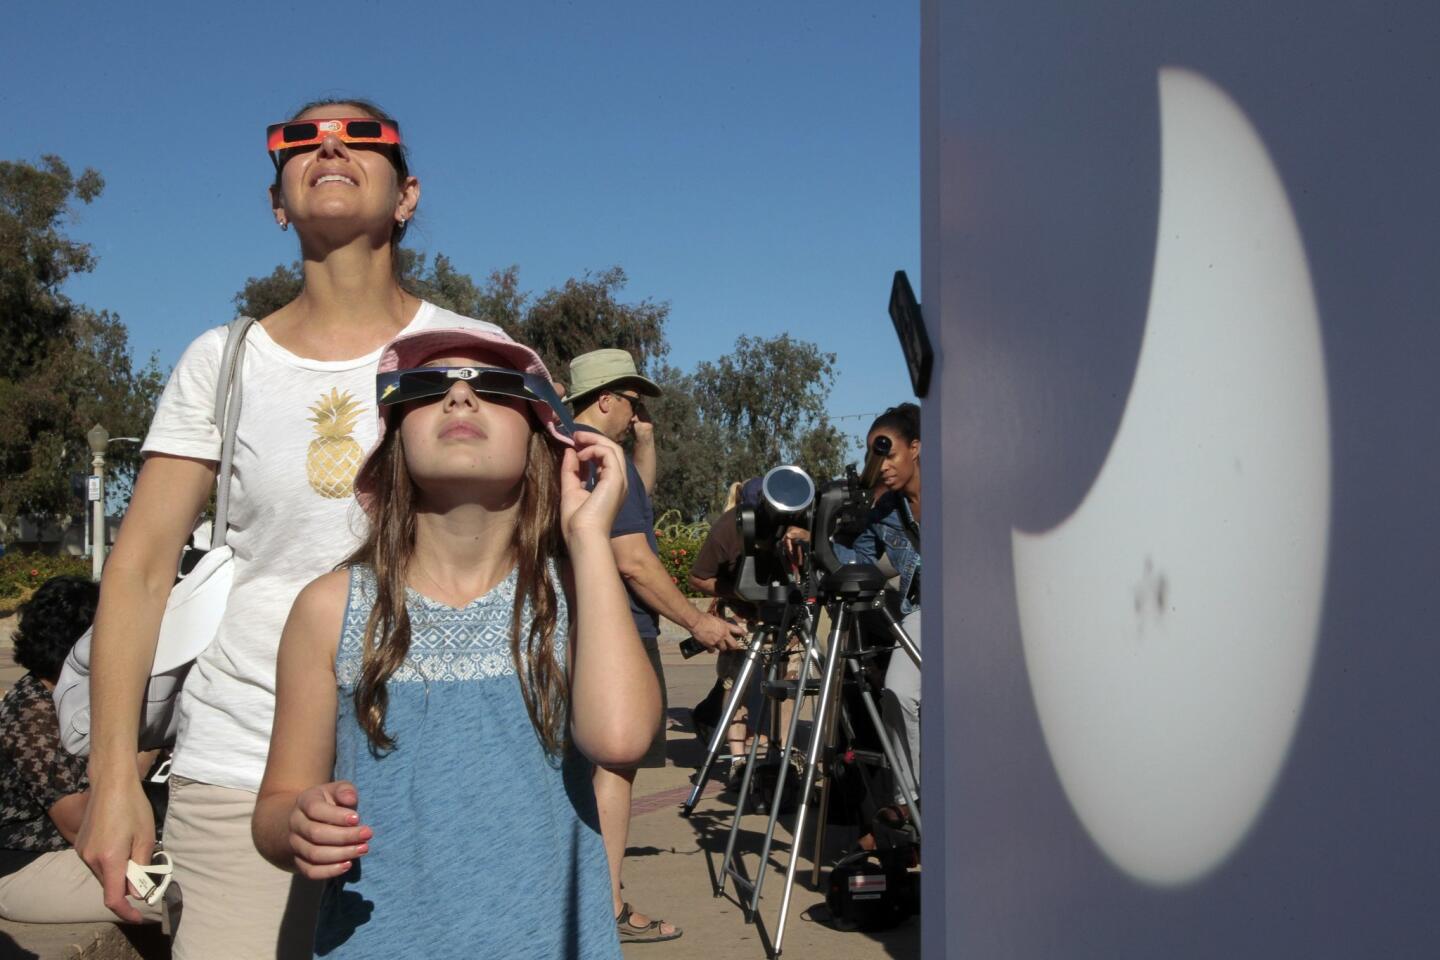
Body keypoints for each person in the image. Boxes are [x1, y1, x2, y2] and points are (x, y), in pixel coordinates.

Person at [77, 97, 507, 957]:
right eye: (300, 142)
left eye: (362, 137)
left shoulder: (475, 353)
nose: (331, 145)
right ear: (278, 203)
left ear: (408, 193)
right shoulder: (223, 360)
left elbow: (526, 557)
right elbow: (139, 570)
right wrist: (110, 781)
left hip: (438, 762)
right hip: (239, 763)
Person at [252, 325, 657, 958]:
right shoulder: (329, 609)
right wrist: (297, 823)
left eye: (495, 386)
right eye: (425, 386)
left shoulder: (577, 594)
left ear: (539, 436)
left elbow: (621, 739)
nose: (460, 398)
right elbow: (274, 807)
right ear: (393, 435)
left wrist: (588, 539)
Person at [566, 348, 746, 944]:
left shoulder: (576, 449)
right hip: (613, 633)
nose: (639, 410)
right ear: (608, 397)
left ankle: (592, 897)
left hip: (590, 630)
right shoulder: (595, 452)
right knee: (616, 768)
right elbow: (634, 557)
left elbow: (634, 503)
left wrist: (644, 442)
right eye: (633, 399)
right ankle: (606, 906)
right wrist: (697, 621)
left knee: (592, 769)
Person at [0, 576, 163, 924]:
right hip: (27, 866)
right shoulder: (33, 712)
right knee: (190, 891)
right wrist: (147, 745)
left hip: (70, 854)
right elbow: (77, 820)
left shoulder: (74, 697)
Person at [837, 403, 922, 822]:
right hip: (922, 612)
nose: (883, 465)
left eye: (889, 453)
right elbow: (858, 559)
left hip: (975, 609)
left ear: (917, 448)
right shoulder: (885, 512)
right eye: (875, 455)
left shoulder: (956, 488)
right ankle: (909, 799)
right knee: (899, 690)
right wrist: (809, 533)